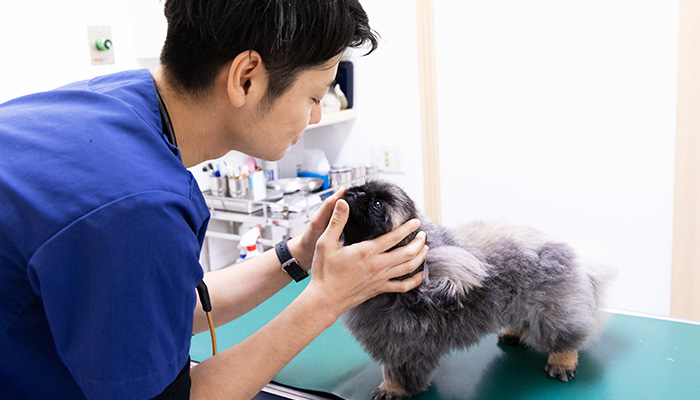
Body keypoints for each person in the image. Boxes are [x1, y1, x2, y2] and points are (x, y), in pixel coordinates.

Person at [0, 0, 427, 399]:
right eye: (314, 96)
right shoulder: (137, 207)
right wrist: (328, 298)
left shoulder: (110, 102)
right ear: (246, 78)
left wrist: (298, 254)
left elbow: (162, 309)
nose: (315, 115)